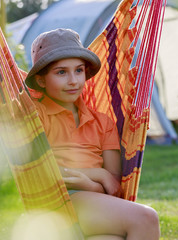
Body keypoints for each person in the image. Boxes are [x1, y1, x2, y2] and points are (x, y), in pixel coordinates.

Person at [24, 28, 160, 240]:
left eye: (79, 70)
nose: (73, 81)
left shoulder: (102, 122)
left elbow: (115, 183)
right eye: (61, 72)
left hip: (93, 202)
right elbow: (35, 171)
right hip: (54, 202)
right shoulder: (34, 115)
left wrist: (88, 183)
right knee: (146, 218)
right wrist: (98, 175)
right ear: (41, 80)